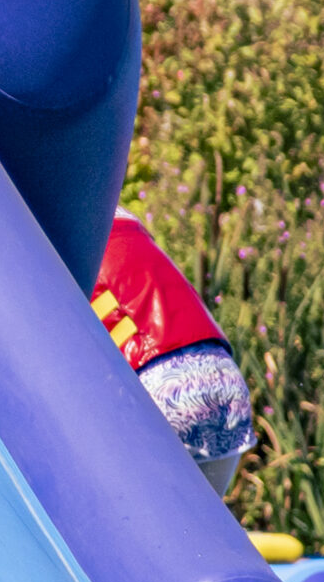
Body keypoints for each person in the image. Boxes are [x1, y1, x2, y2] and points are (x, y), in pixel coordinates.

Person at [92, 210, 255, 498]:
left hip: (159, 384)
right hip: (226, 382)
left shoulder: (51, 228)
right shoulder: (128, 220)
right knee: (203, 533)